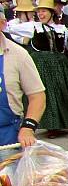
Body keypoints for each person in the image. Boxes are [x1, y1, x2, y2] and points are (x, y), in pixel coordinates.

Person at [5, 0, 68, 139]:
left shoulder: (62, 29)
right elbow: (9, 28)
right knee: (45, 93)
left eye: (44, 11)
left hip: (60, 63)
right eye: (39, 11)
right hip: (42, 63)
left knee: (61, 92)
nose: (41, 14)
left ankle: (62, 122)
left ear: (52, 12)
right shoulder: (33, 27)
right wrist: (21, 18)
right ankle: (50, 125)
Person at [0, 12, 47, 159]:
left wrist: (28, 127)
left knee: (8, 181)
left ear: (2, 24)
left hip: (7, 139)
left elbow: (37, 96)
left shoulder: (18, 55)